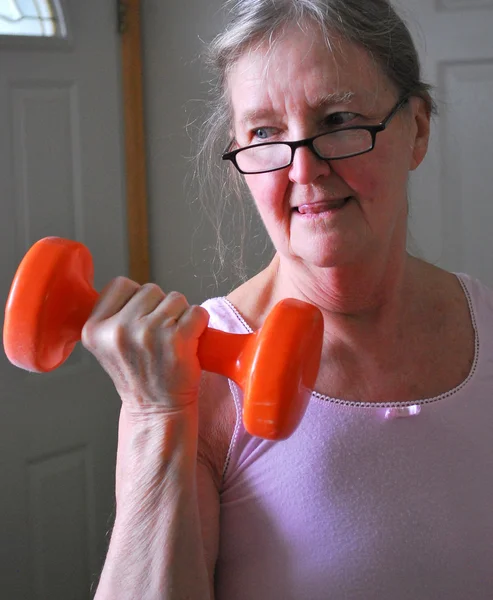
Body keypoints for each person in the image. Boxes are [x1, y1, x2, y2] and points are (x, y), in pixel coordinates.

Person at [88, 1, 493, 598]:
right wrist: (155, 419)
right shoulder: (191, 378)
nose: (304, 168)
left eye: (337, 119)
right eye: (265, 133)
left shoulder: (486, 323)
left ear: (418, 130)